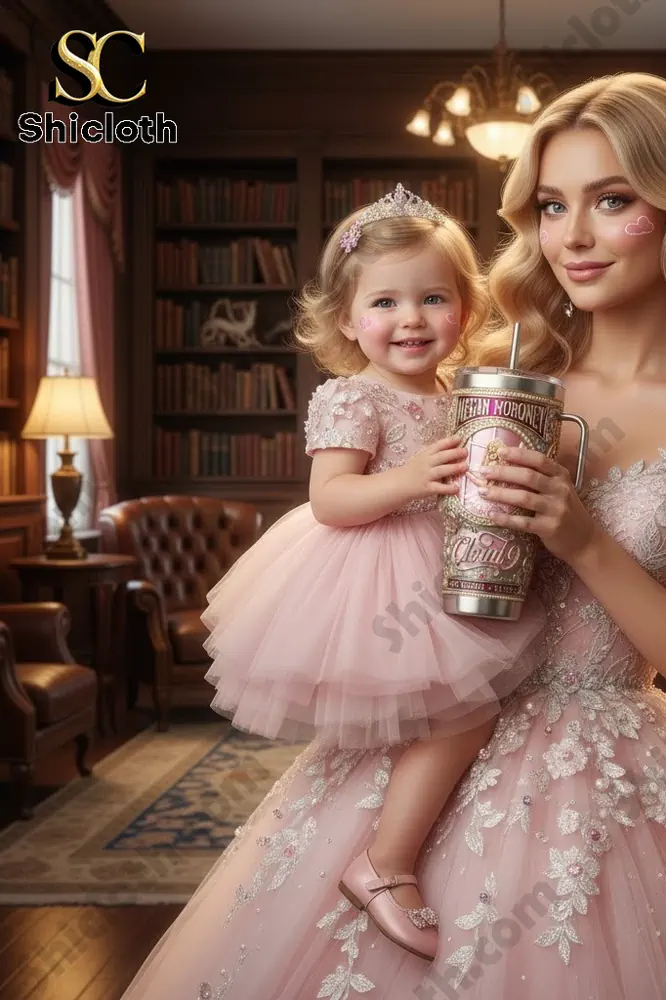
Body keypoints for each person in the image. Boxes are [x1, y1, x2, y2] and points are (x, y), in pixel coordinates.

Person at [120, 75, 666, 999]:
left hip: (608, 786)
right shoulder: (490, 381)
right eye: (550, 205)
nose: (570, 237)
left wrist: (583, 536)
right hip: (421, 752)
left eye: (612, 201)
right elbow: (362, 507)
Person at [193, 184, 546, 962]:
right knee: (464, 711)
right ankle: (383, 862)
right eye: (385, 302)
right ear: (348, 320)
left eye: (433, 298)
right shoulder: (353, 396)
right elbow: (331, 499)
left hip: (451, 558)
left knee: (459, 712)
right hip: (378, 574)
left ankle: (402, 843)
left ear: (465, 310)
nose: (411, 319)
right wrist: (411, 479)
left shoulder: (464, 391)